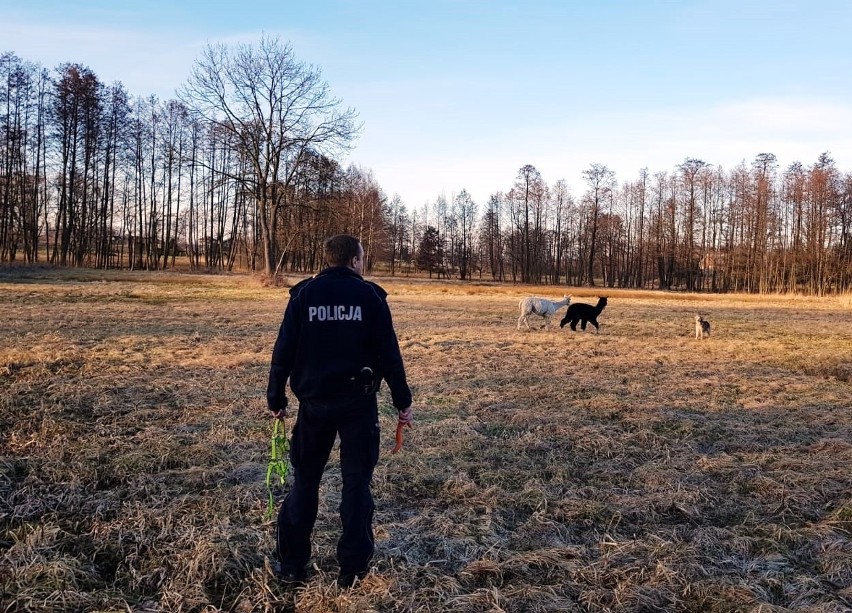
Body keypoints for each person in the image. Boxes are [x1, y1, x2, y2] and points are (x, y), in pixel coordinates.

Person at [266, 234, 413, 589]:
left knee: (305, 483)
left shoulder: (303, 295)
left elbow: (283, 349)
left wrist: (276, 398)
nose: (364, 264)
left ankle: (292, 564)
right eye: (362, 258)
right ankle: (353, 568)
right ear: (353, 261)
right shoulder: (370, 297)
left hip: (313, 406)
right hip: (358, 407)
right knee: (356, 486)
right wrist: (402, 400)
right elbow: (389, 355)